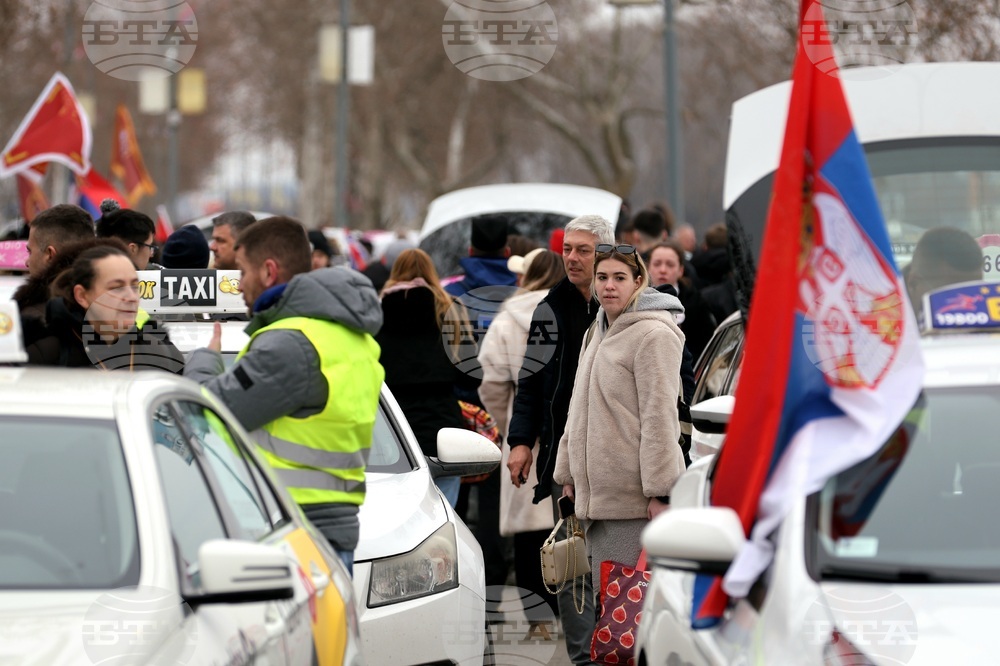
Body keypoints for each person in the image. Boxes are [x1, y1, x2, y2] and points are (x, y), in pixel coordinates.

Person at [183, 216, 383, 573]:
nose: (238, 285)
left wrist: (205, 358)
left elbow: (207, 411)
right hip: (324, 529)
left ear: (269, 272)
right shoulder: (347, 335)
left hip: (292, 533)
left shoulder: (289, 344)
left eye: (242, 272)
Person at [506, 214, 615, 666]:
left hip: (618, 458)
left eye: (582, 250)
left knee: (614, 563)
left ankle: (615, 646)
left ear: (605, 253)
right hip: (563, 457)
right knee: (573, 565)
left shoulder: (631, 306)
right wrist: (521, 441)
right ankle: (581, 658)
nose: (571, 257)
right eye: (567, 248)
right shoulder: (550, 307)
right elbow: (530, 382)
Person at [553, 244, 686, 596]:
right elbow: (577, 408)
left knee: (626, 618)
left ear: (639, 281)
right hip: (594, 501)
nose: (609, 286)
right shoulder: (596, 331)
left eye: (619, 278)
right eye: (602, 278)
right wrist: (568, 473)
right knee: (609, 613)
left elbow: (660, 419)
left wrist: (662, 492)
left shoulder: (653, 335)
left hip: (632, 504)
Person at [478, 248, 566, 617]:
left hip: (523, 428)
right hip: (566, 422)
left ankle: (538, 613)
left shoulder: (508, 317)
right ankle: (572, 608)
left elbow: (492, 382)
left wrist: (508, 426)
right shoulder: (572, 311)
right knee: (569, 518)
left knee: (530, 532)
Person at [376, 248, 479, 506]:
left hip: (391, 432)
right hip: (441, 428)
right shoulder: (450, 310)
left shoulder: (375, 314)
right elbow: (470, 377)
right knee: (444, 514)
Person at [25, 244, 183, 372]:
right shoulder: (45, 355)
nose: (131, 297)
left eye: (135, 286)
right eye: (116, 287)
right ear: (82, 295)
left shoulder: (160, 353)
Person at [15, 203, 95, 344]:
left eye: (30, 251)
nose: (27, 262)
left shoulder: (30, 323)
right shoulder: (115, 308)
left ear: (50, 254)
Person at [648, 240, 717, 360]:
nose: (663, 270)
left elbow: (705, 348)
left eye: (670, 265)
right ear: (648, 268)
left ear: (681, 270)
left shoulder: (696, 303)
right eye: (657, 264)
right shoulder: (635, 300)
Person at [906, 227, 983, 315]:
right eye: (951, 296)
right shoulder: (890, 323)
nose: (965, 311)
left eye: (975, 293)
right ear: (913, 284)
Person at [95, 200, 158, 270]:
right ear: (132, 249)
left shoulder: (86, 271)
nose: (151, 254)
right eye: (150, 247)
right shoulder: (156, 277)